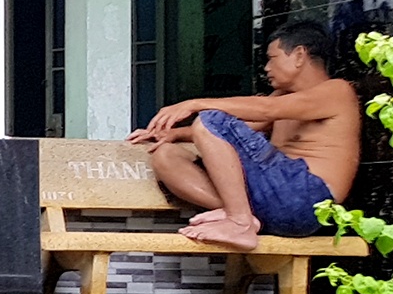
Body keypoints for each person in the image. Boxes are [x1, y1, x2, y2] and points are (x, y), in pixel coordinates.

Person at [127, 20, 361, 251]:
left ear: (299, 55)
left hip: (306, 197)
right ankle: (240, 214)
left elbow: (262, 112)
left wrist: (194, 104)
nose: (267, 68)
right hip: (272, 202)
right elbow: (244, 127)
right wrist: (170, 134)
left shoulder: (337, 91)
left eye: (272, 58)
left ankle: (239, 221)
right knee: (166, 156)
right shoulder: (282, 97)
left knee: (212, 118)